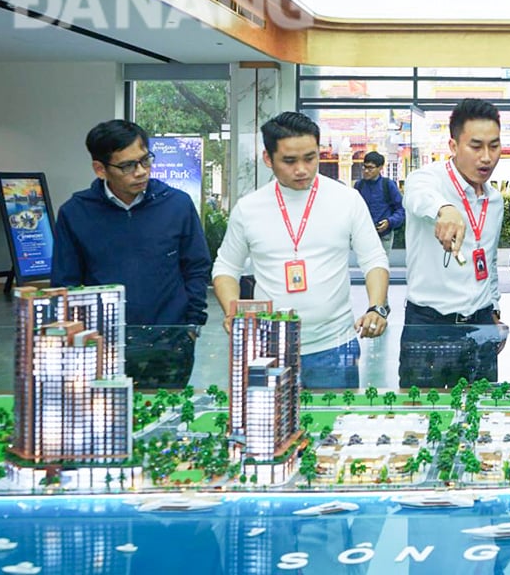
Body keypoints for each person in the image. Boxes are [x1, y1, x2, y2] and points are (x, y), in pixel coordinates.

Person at [211, 111, 389, 389]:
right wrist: (232, 310)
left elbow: (374, 258)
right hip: (268, 348)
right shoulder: (249, 208)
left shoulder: (347, 200)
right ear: (268, 159)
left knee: (333, 427)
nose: (302, 169)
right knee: (269, 429)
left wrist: (376, 306)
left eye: (310, 157)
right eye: (289, 161)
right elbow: (226, 267)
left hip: (335, 346)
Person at [51, 119, 211, 389]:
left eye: (145, 160)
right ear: (100, 169)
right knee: (104, 425)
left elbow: (196, 267)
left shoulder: (176, 204)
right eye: (127, 165)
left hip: (170, 343)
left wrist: (191, 327)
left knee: (165, 422)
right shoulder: (75, 212)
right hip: (103, 347)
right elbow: (65, 284)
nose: (141, 172)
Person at [399, 99, 504, 388]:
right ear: (453, 146)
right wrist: (445, 209)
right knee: (421, 417)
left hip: (480, 325)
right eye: (476, 146)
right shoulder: (427, 179)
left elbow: (489, 262)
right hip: (429, 325)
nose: (486, 157)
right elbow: (416, 196)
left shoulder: (494, 200)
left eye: (494, 146)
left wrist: (494, 311)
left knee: (481, 416)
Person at [354, 150, 405, 258]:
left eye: (370, 168)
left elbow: (400, 210)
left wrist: (389, 222)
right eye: (364, 167)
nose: (366, 171)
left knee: (381, 266)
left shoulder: (388, 185)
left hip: (384, 235)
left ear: (380, 168)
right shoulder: (359, 185)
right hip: (365, 235)